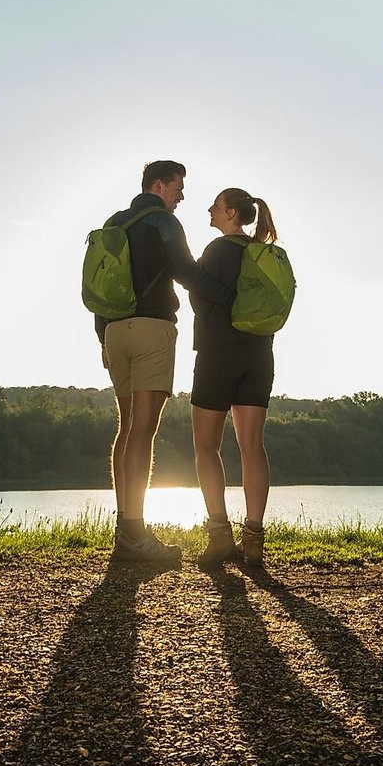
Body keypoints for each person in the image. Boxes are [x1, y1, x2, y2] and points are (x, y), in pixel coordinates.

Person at [96, 159, 233, 563]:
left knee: (126, 429)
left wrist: (102, 335)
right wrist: (228, 296)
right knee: (143, 430)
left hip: (114, 332)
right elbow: (187, 272)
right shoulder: (163, 222)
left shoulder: (114, 222)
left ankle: (125, 528)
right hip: (152, 328)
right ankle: (136, 533)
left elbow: (102, 283)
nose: (182, 195)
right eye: (178, 187)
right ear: (158, 185)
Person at [190, 188, 279, 571]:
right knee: (252, 447)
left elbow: (199, 297)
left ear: (230, 213)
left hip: (217, 353)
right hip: (259, 355)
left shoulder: (218, 249)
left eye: (215, 205)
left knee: (206, 447)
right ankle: (254, 540)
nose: (209, 209)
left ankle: (220, 537)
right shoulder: (262, 253)